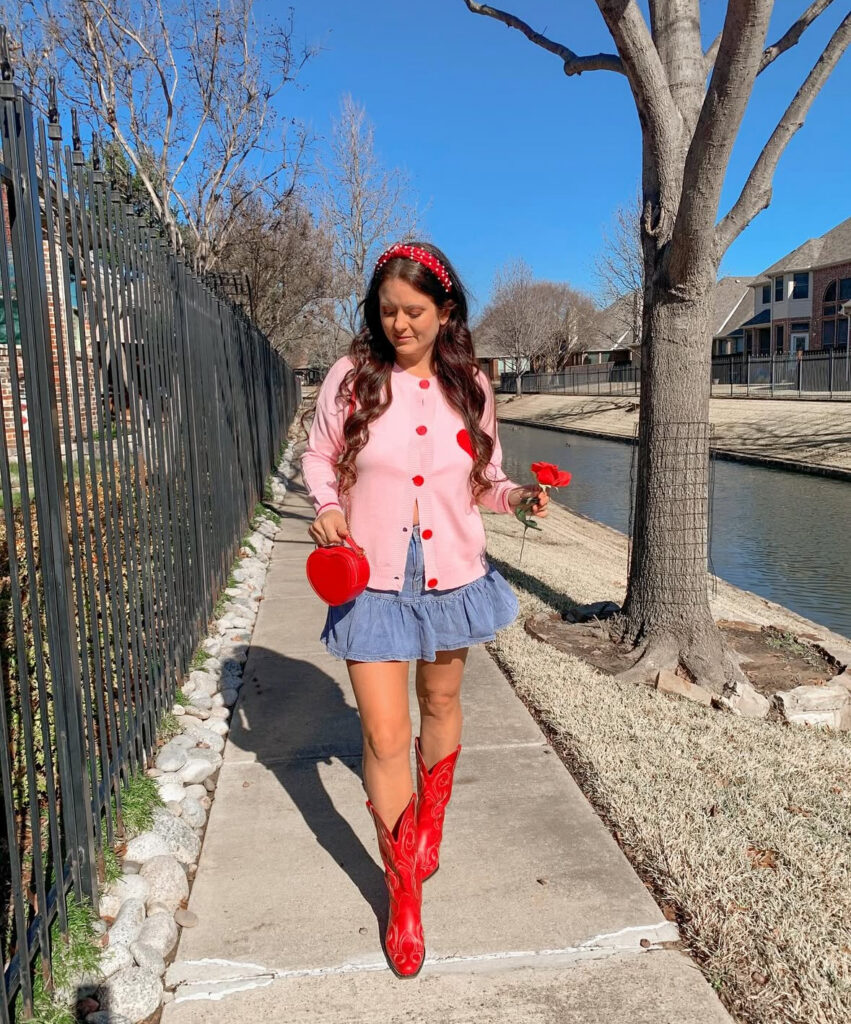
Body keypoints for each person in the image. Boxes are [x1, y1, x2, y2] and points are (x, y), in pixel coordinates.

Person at [301, 241, 549, 978]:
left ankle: (429, 821)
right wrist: (323, 506)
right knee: (383, 735)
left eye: (413, 312)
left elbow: (484, 479)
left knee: (439, 705)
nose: (398, 325)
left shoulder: (471, 384)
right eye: (386, 312)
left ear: (445, 312)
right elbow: (318, 456)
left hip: (449, 575)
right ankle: (402, 887)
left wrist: (520, 498)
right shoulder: (352, 378)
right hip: (370, 580)